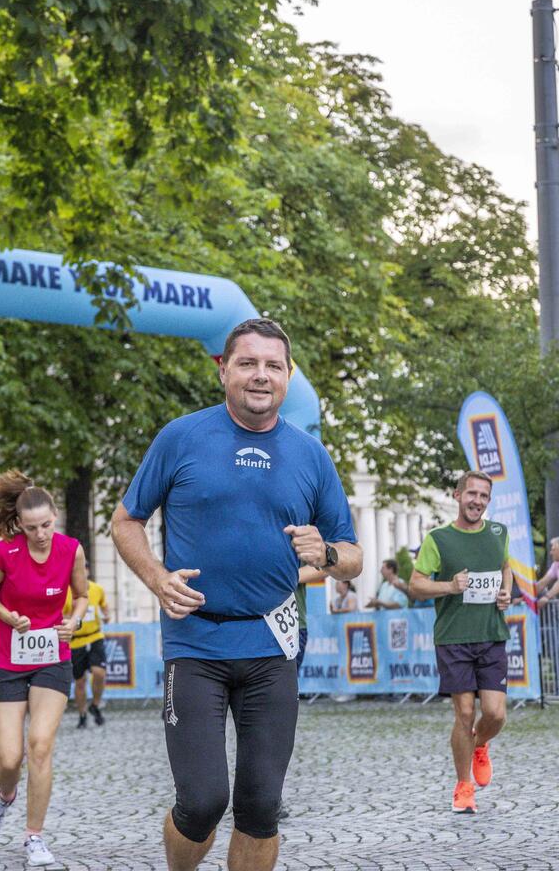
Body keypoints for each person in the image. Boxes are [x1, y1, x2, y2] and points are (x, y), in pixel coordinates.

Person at [111, 317, 363, 871]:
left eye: (273, 366)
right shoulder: (181, 437)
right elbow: (126, 520)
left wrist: (324, 554)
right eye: (247, 363)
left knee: (260, 805)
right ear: (222, 370)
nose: (260, 375)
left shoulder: (310, 455)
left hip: (272, 646)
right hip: (196, 644)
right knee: (202, 801)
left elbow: (352, 557)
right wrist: (157, 578)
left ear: (289, 376)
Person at [0, 470, 88, 868]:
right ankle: (5, 796)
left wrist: (73, 620)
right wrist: (9, 616)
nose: (40, 534)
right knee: (9, 758)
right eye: (32, 527)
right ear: (19, 525)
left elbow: (82, 596)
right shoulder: (4, 553)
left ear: (55, 517)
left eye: (47, 525)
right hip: (7, 659)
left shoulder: (71, 549)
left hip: (52, 656)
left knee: (40, 746)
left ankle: (33, 837)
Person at [409, 469, 512, 816]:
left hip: (491, 634)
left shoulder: (499, 533)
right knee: (465, 713)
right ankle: (463, 786)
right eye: (472, 494)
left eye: (484, 496)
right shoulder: (438, 539)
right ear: (457, 496)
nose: (477, 501)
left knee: (496, 714)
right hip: (453, 638)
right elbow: (416, 584)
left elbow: (504, 567)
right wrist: (449, 587)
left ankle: (479, 744)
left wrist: (506, 592)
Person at [63, 560, 111, 727]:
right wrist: (72, 613)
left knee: (100, 673)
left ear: (88, 571)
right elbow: (62, 618)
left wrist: (106, 615)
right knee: (80, 681)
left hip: (95, 636)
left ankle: (95, 705)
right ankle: (82, 714)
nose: (80, 574)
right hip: (76, 642)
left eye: (83, 570)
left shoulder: (97, 589)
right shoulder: (67, 593)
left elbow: (105, 607)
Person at [536, 536, 559, 607]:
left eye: (553, 549)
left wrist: (547, 596)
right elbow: (542, 583)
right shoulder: (555, 564)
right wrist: (524, 598)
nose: (551, 553)